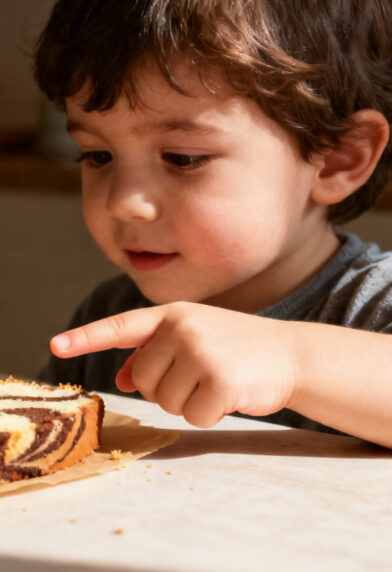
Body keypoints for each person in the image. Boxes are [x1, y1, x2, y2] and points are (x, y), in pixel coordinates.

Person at [33, 0, 392, 448]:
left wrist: (289, 360)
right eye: (97, 155)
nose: (125, 202)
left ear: (338, 159)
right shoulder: (113, 317)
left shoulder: (374, 304)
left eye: (182, 158)